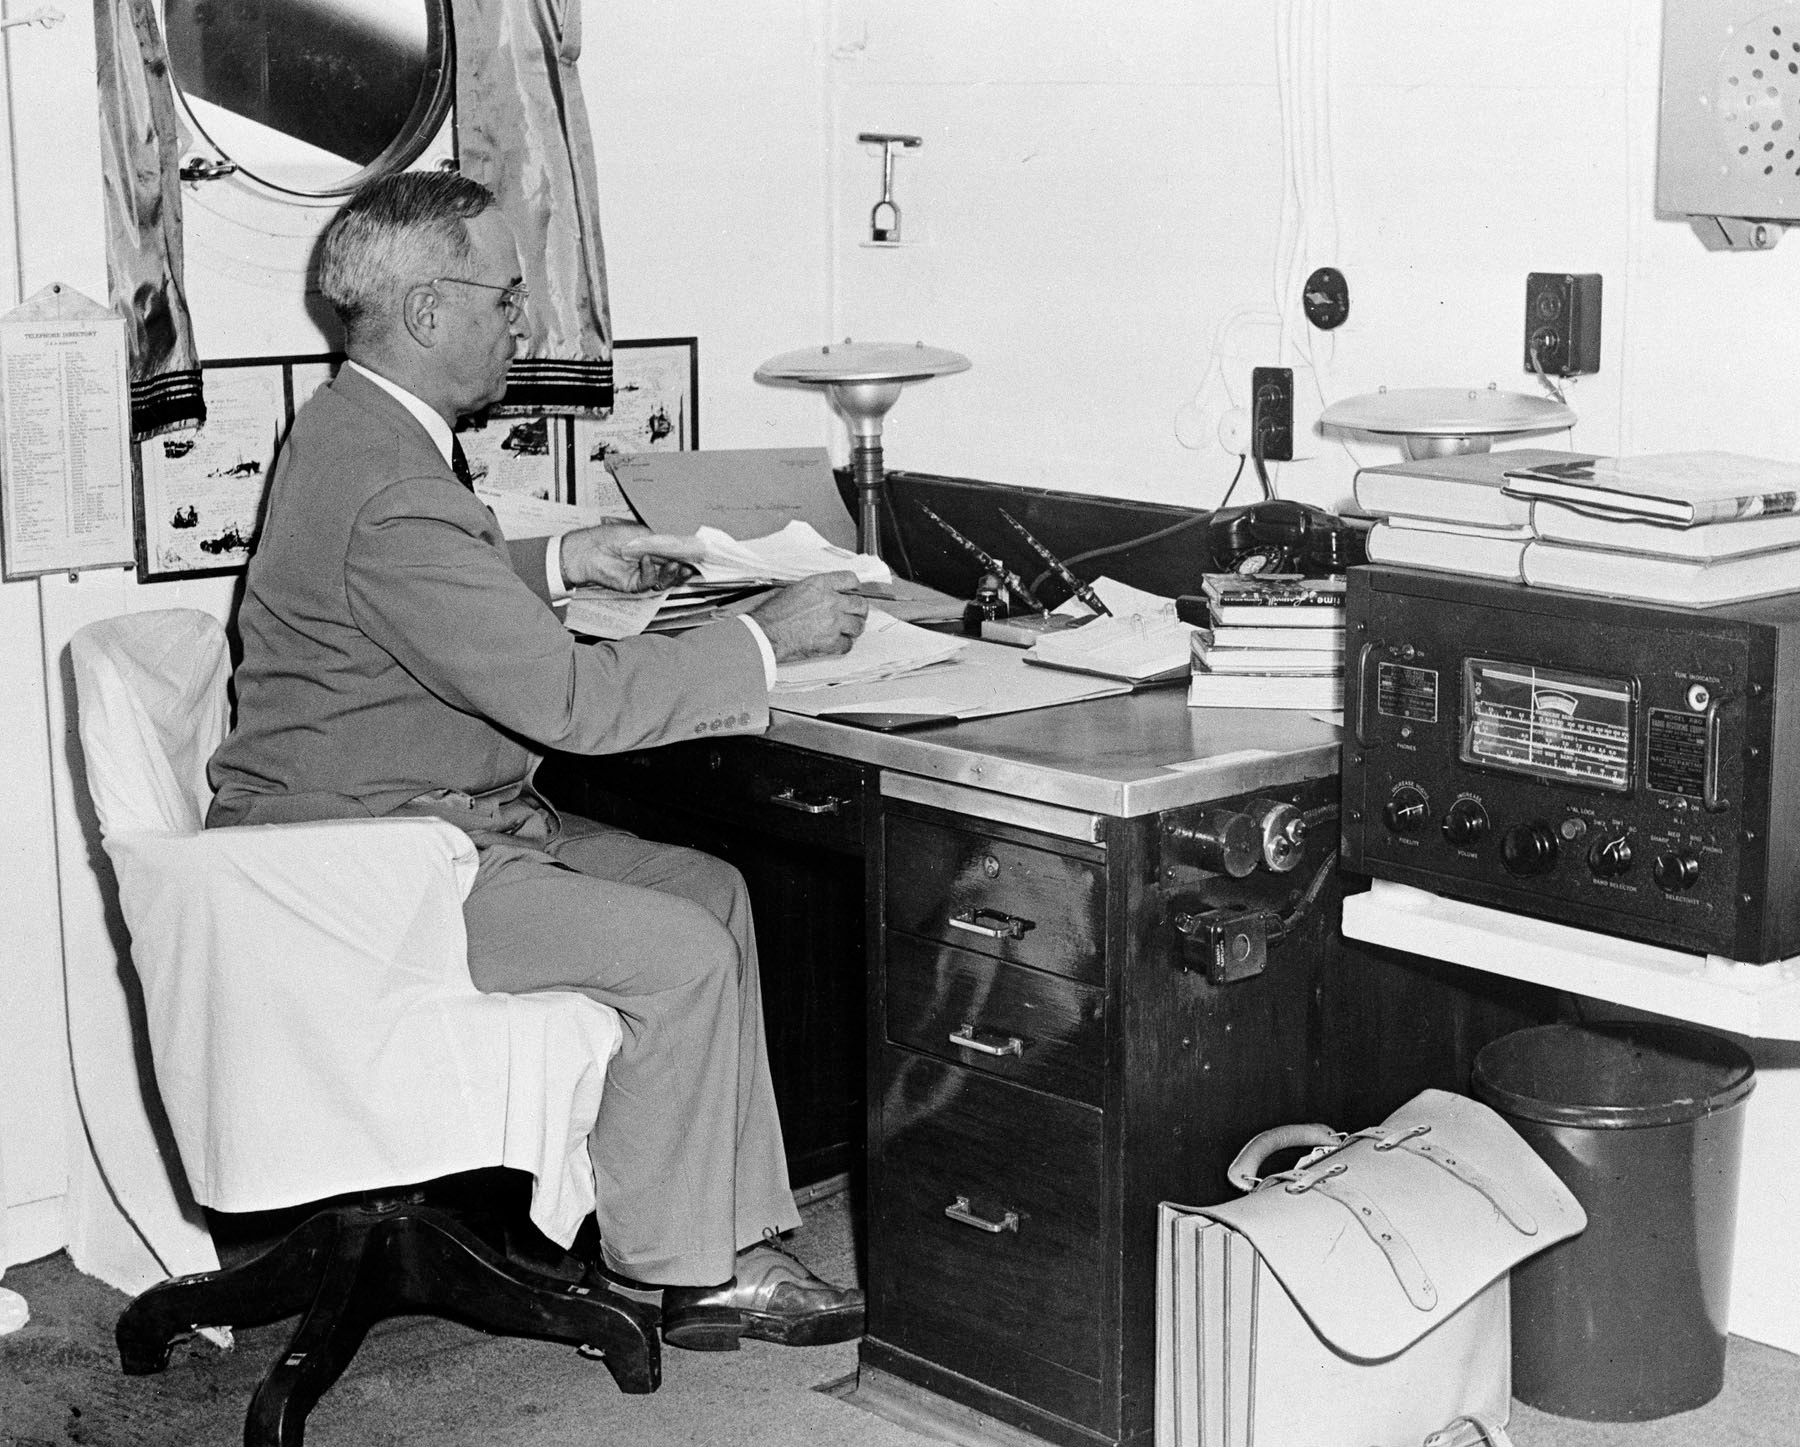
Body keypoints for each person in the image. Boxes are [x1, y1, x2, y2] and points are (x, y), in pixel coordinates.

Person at [206, 170, 870, 1351]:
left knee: (711, 889)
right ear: (424, 313)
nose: (526, 322)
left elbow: (403, 599)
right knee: (678, 950)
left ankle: (726, 1229)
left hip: (398, 820)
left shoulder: (352, 430)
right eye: (506, 298)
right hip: (367, 870)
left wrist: (561, 567)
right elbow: (571, 703)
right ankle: (684, 1276)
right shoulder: (393, 482)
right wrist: (766, 639)